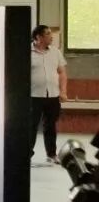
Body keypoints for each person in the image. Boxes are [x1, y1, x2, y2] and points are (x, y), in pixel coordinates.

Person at [30, 24, 68, 166]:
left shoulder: (55, 52)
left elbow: (62, 73)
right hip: (33, 96)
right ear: (38, 37)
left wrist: (63, 91)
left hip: (52, 96)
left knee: (50, 126)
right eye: (48, 34)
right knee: (30, 127)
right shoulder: (26, 52)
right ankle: (26, 156)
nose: (51, 36)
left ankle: (51, 154)